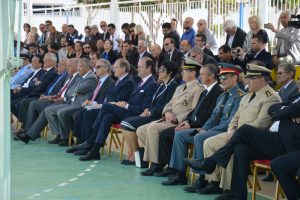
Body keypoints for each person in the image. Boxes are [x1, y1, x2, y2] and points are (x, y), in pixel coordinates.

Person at [184, 77, 300, 200]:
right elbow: (274, 109)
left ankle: (211, 162)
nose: (298, 83)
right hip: (278, 139)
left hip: (289, 144)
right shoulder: (296, 98)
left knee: (244, 130)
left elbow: (277, 114)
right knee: (241, 149)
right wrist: (288, 112)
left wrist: (285, 112)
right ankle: (237, 194)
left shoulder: (271, 95)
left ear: (261, 79)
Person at [161, 63, 243, 187]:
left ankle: (201, 178)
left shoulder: (239, 96)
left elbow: (230, 122)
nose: (222, 80)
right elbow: (213, 116)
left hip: (224, 131)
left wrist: (206, 129)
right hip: (211, 128)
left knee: (199, 137)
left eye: (225, 77)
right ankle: (179, 173)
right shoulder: (222, 95)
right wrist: (203, 128)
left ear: (235, 78)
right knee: (179, 135)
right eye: (221, 77)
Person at [78, 57, 158, 161]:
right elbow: (130, 99)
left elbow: (144, 108)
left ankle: (91, 139)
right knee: (107, 117)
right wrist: (123, 104)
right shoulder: (139, 82)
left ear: (149, 68)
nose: (137, 69)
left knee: (106, 106)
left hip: (136, 114)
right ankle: (95, 149)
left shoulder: (151, 84)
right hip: (126, 109)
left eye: (140, 67)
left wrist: (126, 105)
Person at [137, 58, 205, 176]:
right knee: (141, 130)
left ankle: (156, 164)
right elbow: (169, 103)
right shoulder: (179, 87)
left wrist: (177, 119)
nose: (182, 73)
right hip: (167, 118)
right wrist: (167, 112)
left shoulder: (198, 89)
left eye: (185, 70)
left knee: (152, 129)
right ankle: (157, 160)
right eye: (182, 70)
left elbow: (194, 110)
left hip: (177, 121)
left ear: (193, 73)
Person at [120, 61, 179, 165]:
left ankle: (137, 155)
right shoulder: (161, 85)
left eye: (163, 70)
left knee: (127, 124)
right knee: (124, 123)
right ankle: (135, 155)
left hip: (158, 116)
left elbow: (166, 105)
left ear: (170, 73)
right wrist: (147, 110)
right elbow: (153, 103)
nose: (159, 71)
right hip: (151, 113)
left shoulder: (172, 86)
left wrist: (150, 112)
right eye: (159, 69)